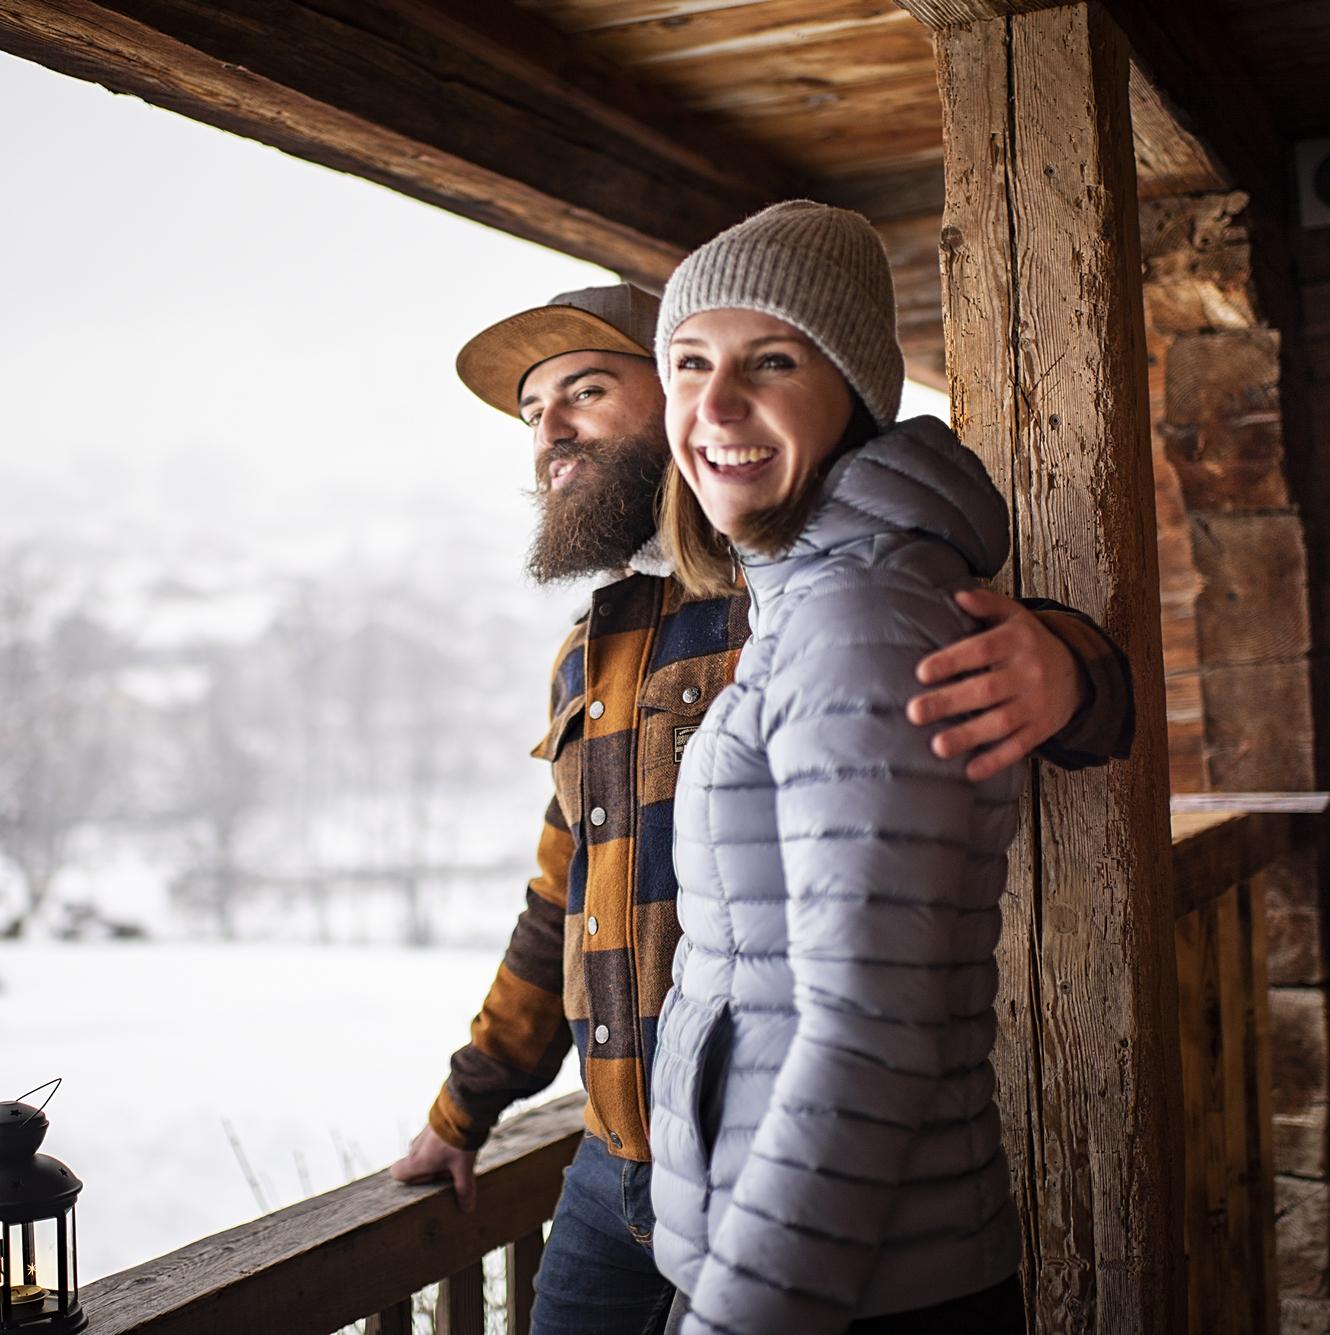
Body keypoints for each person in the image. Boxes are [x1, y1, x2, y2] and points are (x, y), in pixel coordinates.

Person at [389, 262, 1133, 1334]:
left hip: (778, 1163)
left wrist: (1066, 665)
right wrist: (463, 1111)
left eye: (585, 390)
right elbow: (563, 901)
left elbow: (966, 640)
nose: (551, 426)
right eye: (532, 409)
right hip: (611, 1170)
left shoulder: (798, 579)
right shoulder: (587, 652)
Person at [647, 200, 1031, 1334]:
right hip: (835, 1261)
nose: (713, 406)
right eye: (686, 363)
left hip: (838, 1288)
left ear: (853, 395)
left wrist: (738, 1317)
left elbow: (867, 1032)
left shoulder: (858, 617)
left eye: (769, 361)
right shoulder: (812, 594)